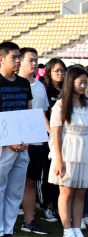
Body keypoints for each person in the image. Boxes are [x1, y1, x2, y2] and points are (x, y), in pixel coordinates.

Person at [0, 41, 33, 237]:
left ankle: (8, 231)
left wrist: (26, 138)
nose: (18, 61)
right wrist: (7, 141)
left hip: (21, 144)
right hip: (0, 145)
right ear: (1, 59)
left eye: (19, 57)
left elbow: (28, 113)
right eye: (14, 57)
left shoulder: (24, 83)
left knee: (15, 191)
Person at [49, 66, 88, 237]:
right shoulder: (60, 105)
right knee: (66, 193)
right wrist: (59, 160)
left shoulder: (86, 105)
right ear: (70, 83)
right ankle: (67, 232)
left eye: (86, 83)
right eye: (81, 83)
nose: (84, 86)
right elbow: (56, 135)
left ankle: (77, 230)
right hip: (67, 153)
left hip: (84, 153)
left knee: (80, 193)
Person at [18, 47, 50, 235]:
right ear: (20, 61)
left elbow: (42, 114)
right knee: (10, 183)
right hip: (16, 143)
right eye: (31, 60)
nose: (35, 63)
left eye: (36, 60)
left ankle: (29, 221)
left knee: (30, 182)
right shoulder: (13, 85)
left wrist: (50, 134)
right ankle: (2, 223)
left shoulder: (39, 86)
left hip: (36, 142)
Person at [41, 58, 67, 222]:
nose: (60, 73)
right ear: (49, 72)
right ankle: (46, 206)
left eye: (63, 70)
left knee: (61, 174)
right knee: (48, 174)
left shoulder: (67, 90)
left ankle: (58, 206)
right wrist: (51, 132)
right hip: (49, 138)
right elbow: (42, 113)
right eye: (57, 70)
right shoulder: (45, 89)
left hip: (66, 138)